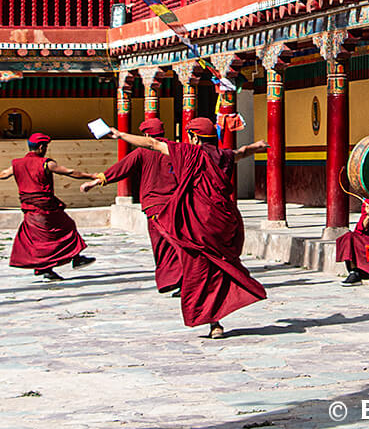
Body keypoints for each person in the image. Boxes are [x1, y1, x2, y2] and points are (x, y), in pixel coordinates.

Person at [115, 116, 268, 338]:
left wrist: (120, 135)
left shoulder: (189, 152)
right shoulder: (222, 155)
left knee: (199, 270)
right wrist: (255, 147)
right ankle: (216, 320)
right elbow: (239, 153)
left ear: (194, 137)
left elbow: (152, 144)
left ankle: (214, 321)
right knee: (218, 269)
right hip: (221, 221)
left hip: (196, 223)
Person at [82, 117, 181, 295]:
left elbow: (120, 169)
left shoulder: (142, 152)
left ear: (145, 134)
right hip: (177, 205)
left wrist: (96, 182)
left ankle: (174, 280)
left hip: (155, 206)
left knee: (162, 244)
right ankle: (182, 279)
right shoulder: (175, 149)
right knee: (177, 242)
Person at [0, 133, 100, 281]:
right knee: (67, 227)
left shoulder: (17, 163)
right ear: (41, 147)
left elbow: (4, 174)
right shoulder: (46, 163)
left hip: (30, 209)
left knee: (39, 239)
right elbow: (70, 172)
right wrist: (91, 176)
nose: (45, 150)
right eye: (45, 147)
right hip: (46, 208)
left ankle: (47, 269)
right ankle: (74, 258)